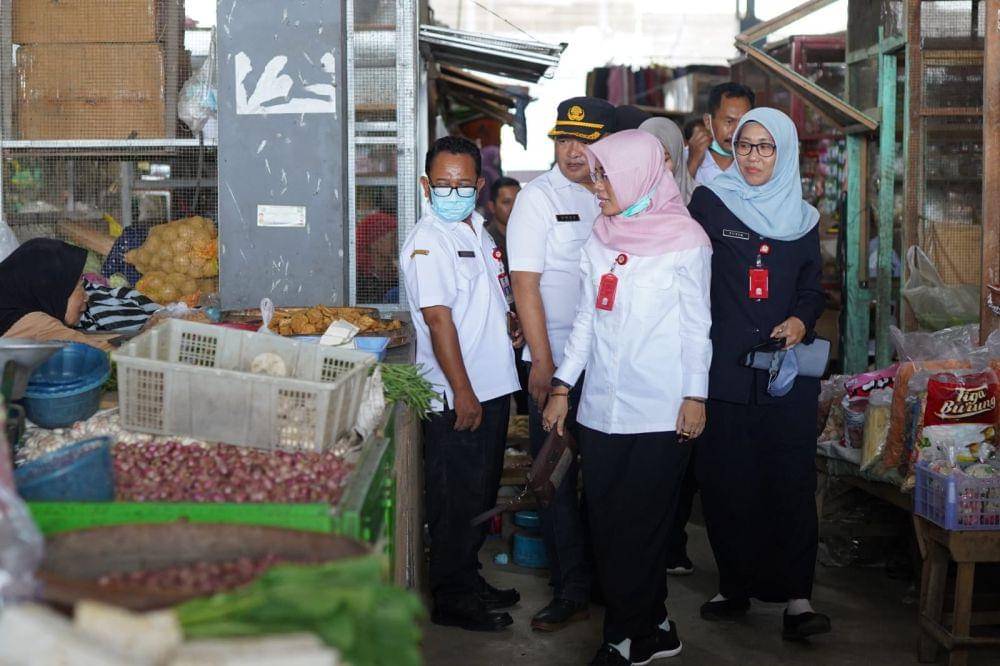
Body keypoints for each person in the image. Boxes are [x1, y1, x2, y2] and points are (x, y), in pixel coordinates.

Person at [542, 129, 712, 666]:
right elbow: (587, 322)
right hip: (601, 412)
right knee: (608, 524)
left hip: (661, 410)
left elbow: (696, 329)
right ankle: (657, 626)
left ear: (638, 174)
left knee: (641, 529)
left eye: (604, 175)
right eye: (595, 175)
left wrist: (696, 396)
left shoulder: (689, 241)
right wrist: (563, 387)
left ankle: (621, 637)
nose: (596, 185)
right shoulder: (600, 235)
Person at [687, 108, 830, 641]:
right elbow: (689, 274)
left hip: (785, 375)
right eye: (745, 145)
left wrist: (801, 318)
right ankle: (734, 585)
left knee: (790, 481)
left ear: (784, 152)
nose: (753, 157)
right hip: (724, 371)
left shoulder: (806, 218)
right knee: (726, 482)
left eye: (766, 147)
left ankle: (798, 598)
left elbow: (814, 286)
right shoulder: (709, 202)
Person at [399, 136, 523, 632]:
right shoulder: (428, 242)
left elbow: (488, 294)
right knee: (455, 501)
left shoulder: (476, 229)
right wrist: (463, 391)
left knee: (478, 495)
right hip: (459, 395)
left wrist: (509, 319)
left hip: (492, 387)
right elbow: (437, 320)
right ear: (427, 186)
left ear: (478, 186)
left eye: (463, 184)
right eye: (444, 184)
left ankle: (469, 579)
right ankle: (453, 599)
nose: (453, 192)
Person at [508, 96, 614, 632]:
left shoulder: (612, 194)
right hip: (555, 362)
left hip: (608, 360)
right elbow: (526, 285)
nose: (574, 150)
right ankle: (569, 586)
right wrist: (544, 366)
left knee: (603, 475)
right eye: (565, 139)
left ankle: (601, 580)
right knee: (555, 474)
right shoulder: (537, 199)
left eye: (586, 139)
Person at [0, 238, 113, 351]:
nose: (86, 297)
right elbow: (105, 355)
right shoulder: (38, 327)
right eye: (80, 286)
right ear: (51, 288)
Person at [486, 177, 529, 415]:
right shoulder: (486, 240)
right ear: (492, 206)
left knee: (526, 391)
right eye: (506, 202)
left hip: (526, 324)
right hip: (497, 327)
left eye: (518, 201)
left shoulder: (527, 236)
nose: (513, 208)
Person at [687, 83, 755, 185]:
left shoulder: (758, 160)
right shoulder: (684, 157)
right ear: (708, 122)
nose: (736, 131)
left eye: (743, 122)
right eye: (729, 121)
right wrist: (693, 163)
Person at [639, 117, 697, 205]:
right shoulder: (625, 199)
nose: (657, 167)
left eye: (665, 160)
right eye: (650, 159)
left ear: (677, 157)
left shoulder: (701, 199)